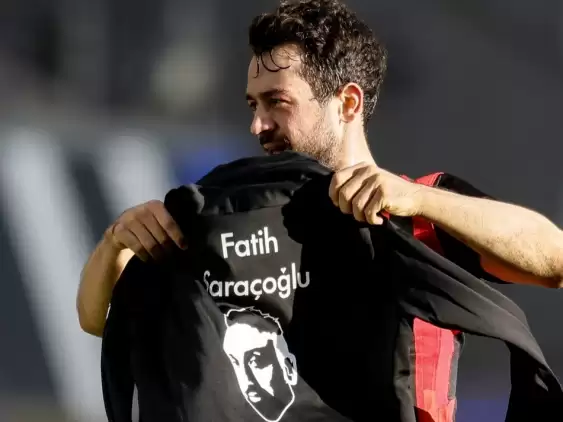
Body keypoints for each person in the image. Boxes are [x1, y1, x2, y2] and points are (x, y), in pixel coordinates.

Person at [78, 0, 563, 418]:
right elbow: (100, 320)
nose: (258, 125)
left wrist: (419, 199)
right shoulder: (229, 221)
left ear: (347, 103)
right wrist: (115, 244)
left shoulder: (416, 214)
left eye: (276, 102)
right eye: (252, 105)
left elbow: (553, 259)